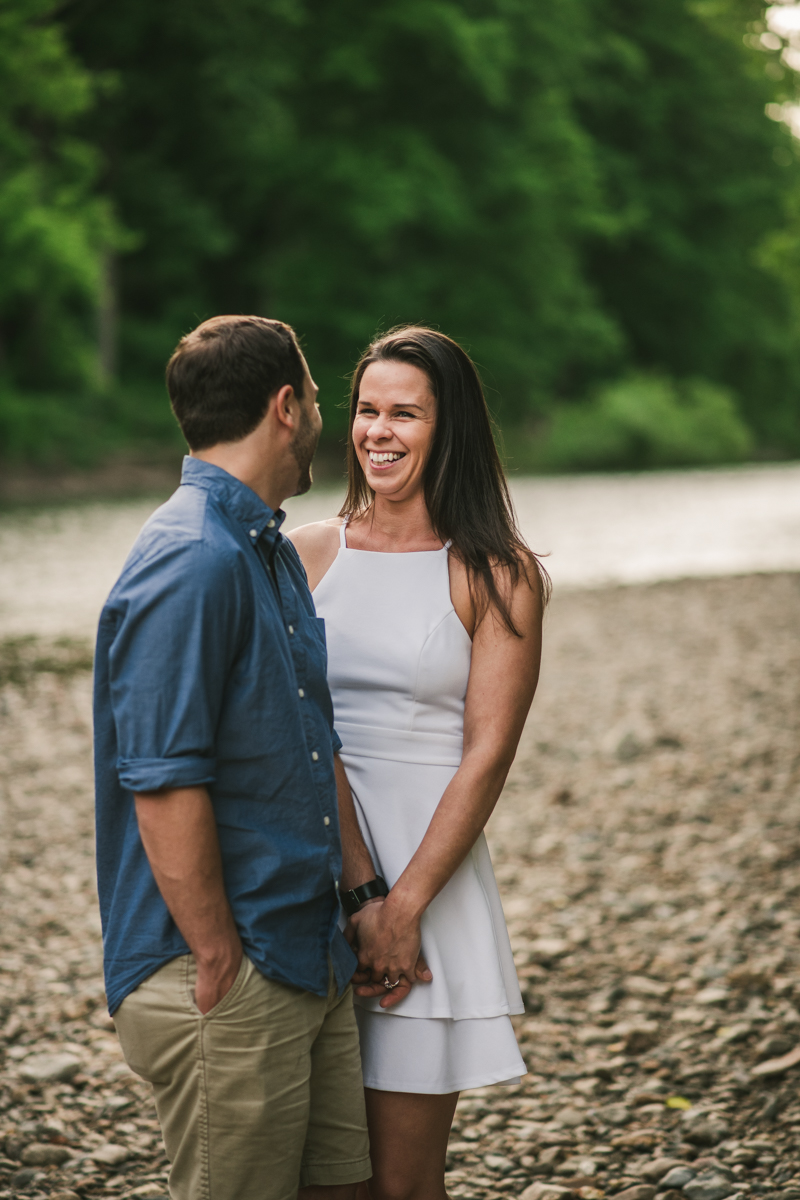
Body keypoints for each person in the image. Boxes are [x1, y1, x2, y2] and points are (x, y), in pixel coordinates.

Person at [93, 315, 400, 1200]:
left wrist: (360, 896)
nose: (322, 420)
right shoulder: (192, 560)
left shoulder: (262, 549)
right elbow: (161, 778)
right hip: (231, 973)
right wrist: (218, 957)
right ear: (285, 407)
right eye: (316, 399)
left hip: (310, 953)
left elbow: (312, 742)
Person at [288, 327, 548, 1200]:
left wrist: (401, 908)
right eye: (366, 410)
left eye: (406, 413)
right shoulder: (304, 554)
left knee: (402, 1183)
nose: (378, 432)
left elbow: (488, 755)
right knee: (320, 1180)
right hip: (307, 880)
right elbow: (292, 726)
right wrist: (358, 895)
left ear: (451, 429)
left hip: (427, 892)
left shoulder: (496, 571)